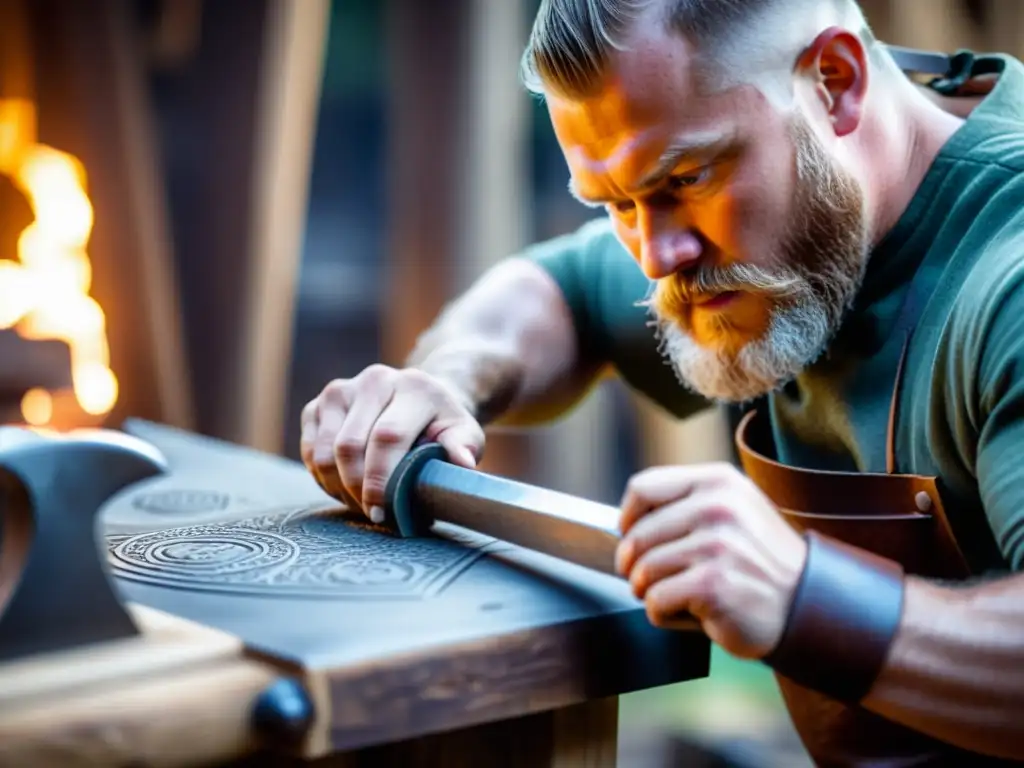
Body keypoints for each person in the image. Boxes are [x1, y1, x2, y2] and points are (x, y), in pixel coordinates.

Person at [300, 0, 1024, 763]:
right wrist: (443, 381)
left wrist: (803, 598)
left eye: (683, 178)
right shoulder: (801, 206)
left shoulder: (1005, 281)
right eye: (617, 204)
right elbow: (563, 291)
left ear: (835, 83)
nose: (655, 256)